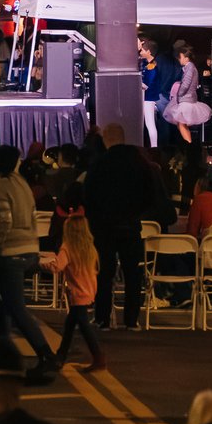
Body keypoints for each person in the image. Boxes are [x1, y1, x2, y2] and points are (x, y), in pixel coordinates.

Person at [0, 146, 60, 383]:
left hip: (10, 253)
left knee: (15, 308)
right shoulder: (23, 186)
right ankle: (2, 356)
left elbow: (3, 222)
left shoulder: (0, 188)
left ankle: (46, 354)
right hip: (29, 251)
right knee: (1, 304)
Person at [83, 125, 155, 331]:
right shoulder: (140, 163)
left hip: (104, 226)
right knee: (133, 274)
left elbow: (89, 195)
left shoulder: (99, 164)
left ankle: (103, 318)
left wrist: (97, 217)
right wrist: (135, 213)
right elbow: (150, 194)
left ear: (106, 140)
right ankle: (131, 319)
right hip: (131, 225)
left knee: (104, 273)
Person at [46, 209, 106, 373]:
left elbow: (57, 266)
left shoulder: (67, 248)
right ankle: (61, 355)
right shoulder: (89, 248)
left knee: (84, 326)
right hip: (89, 290)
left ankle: (98, 357)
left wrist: (41, 262)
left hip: (77, 292)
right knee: (70, 324)